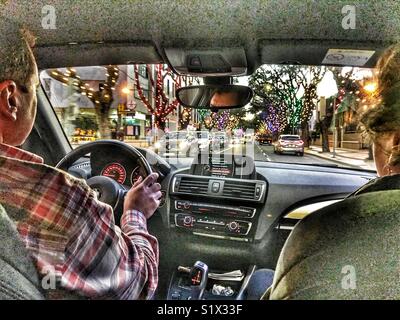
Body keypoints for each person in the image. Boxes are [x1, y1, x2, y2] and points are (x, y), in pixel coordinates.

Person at [0, 20, 160, 299]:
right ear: (10, 99)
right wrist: (135, 213)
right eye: (36, 88)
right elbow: (137, 285)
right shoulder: (61, 199)